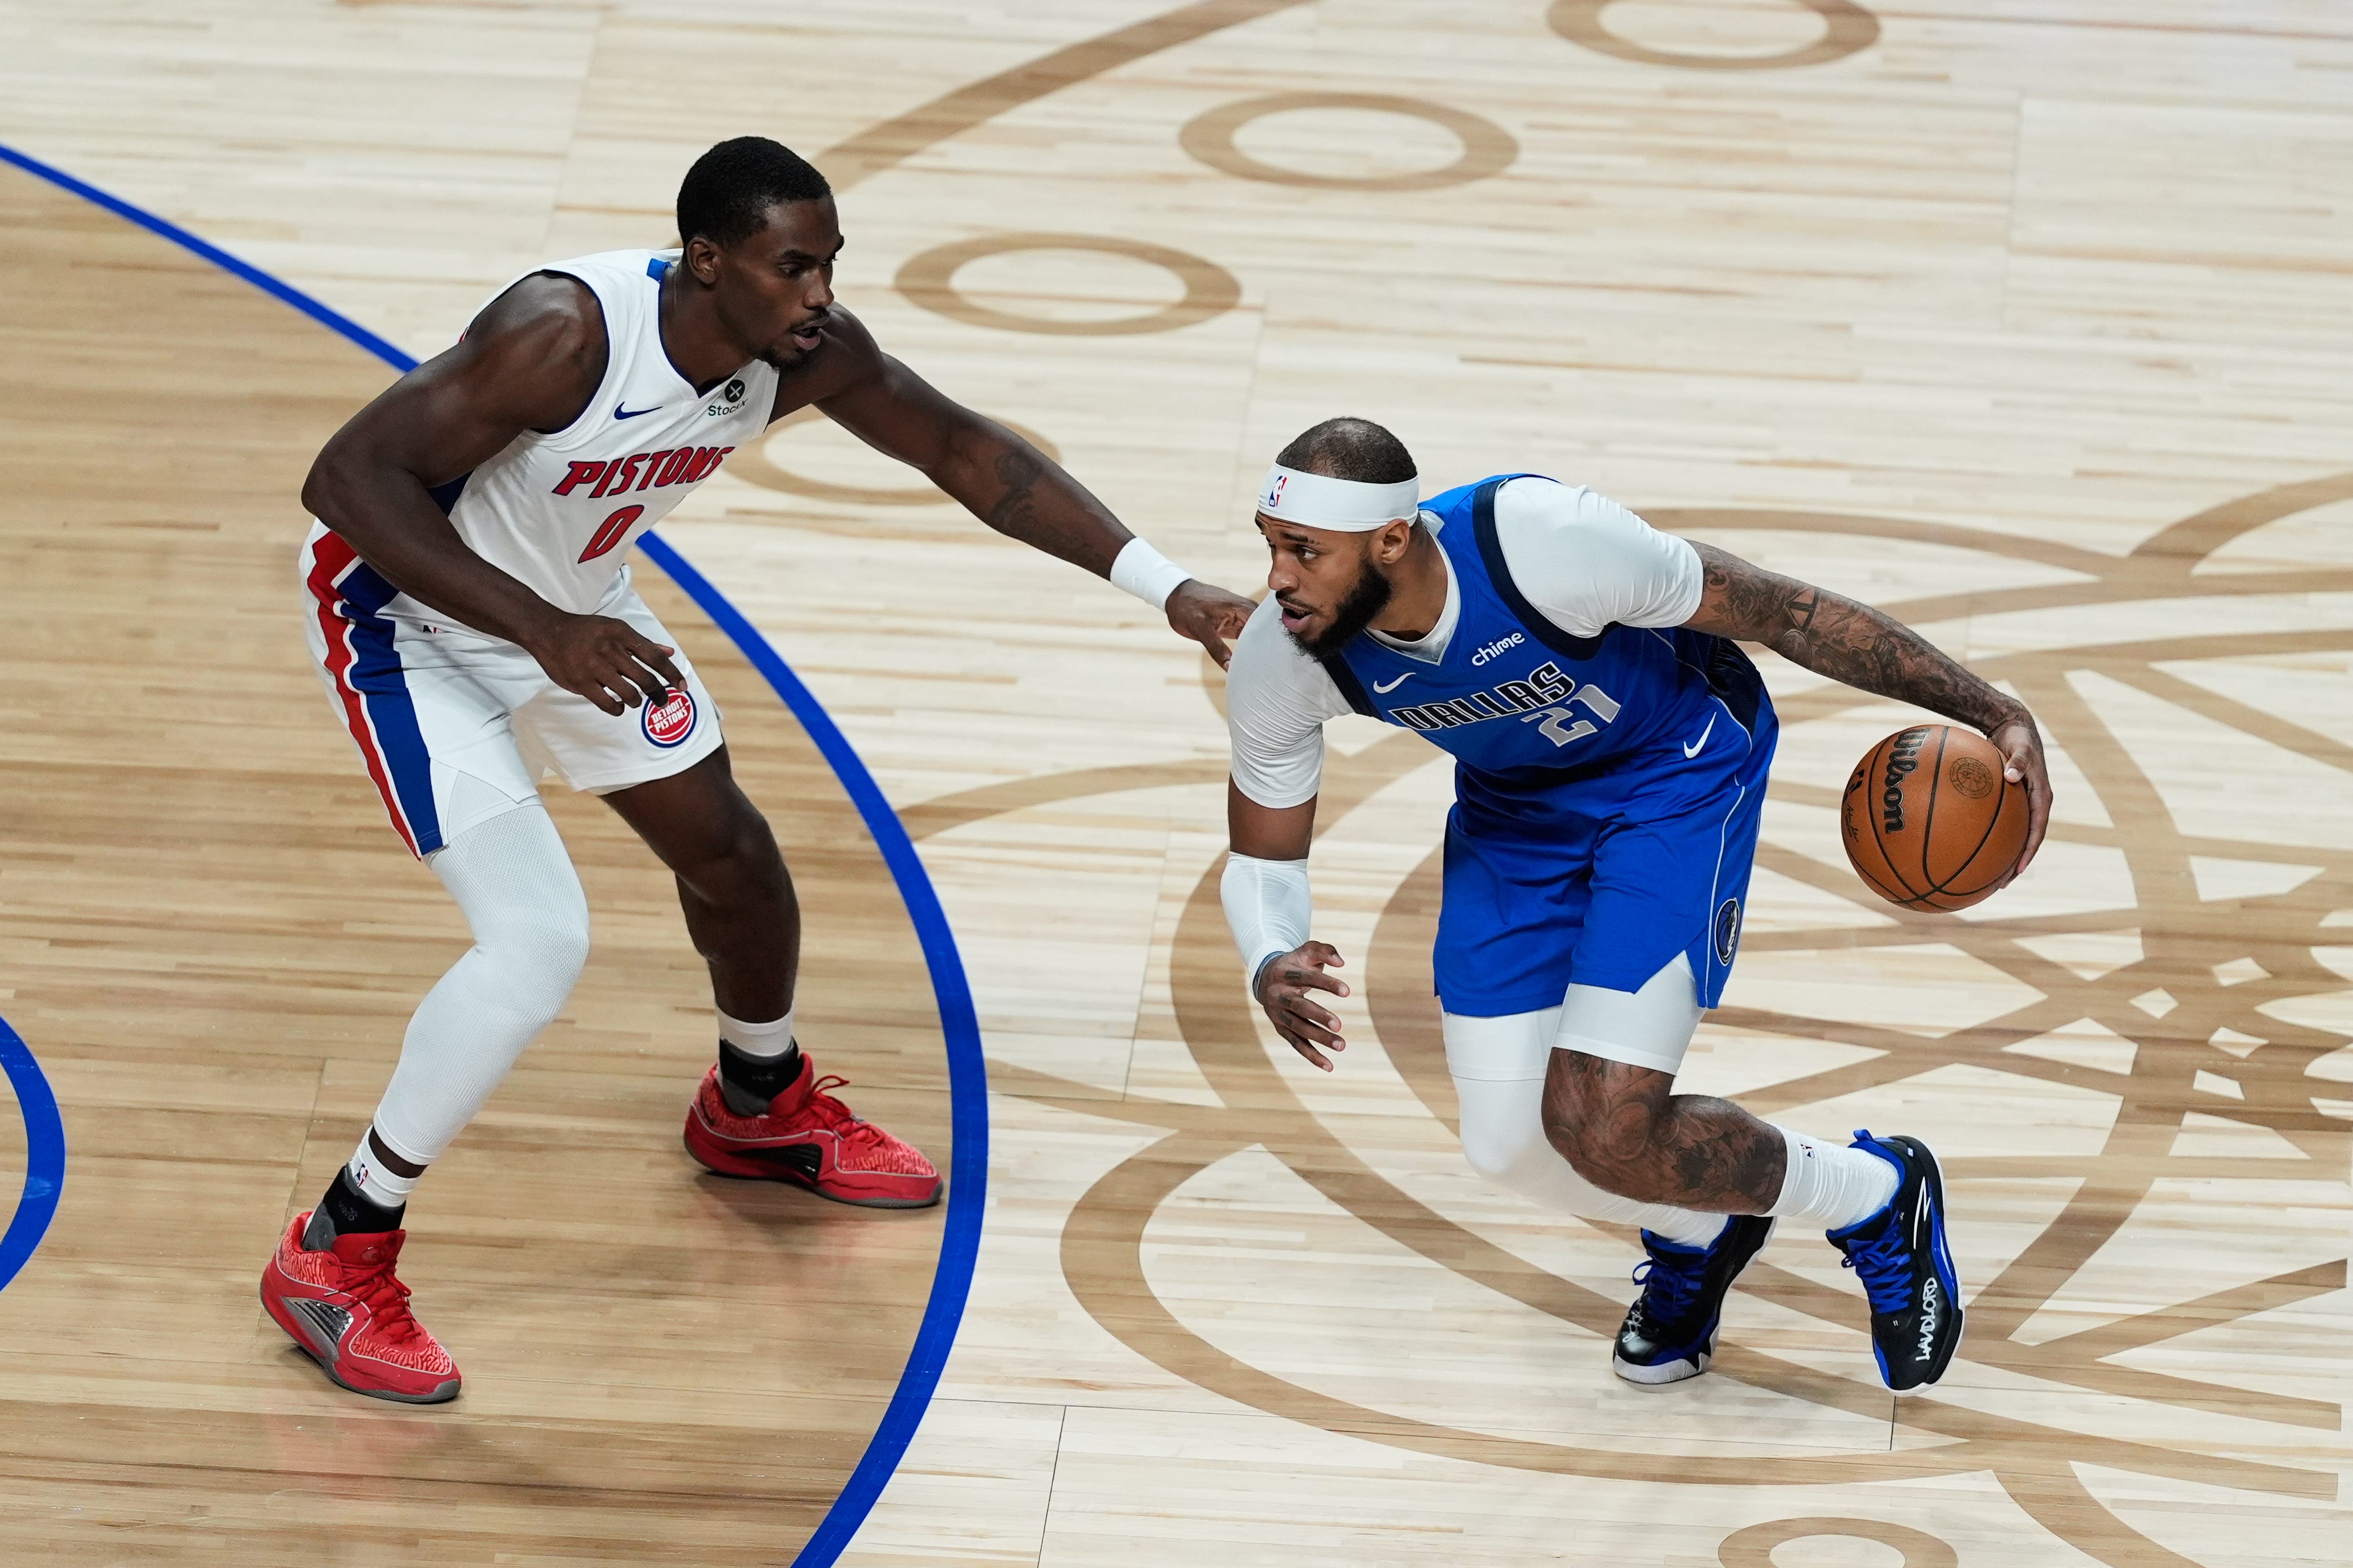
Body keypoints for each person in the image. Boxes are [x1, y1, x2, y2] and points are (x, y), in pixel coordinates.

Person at [262, 136, 1255, 1403]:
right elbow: (347, 478)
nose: (820, 292)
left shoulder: (799, 350)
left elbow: (967, 453)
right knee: (538, 941)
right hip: (406, 620)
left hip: (574, 610)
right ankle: (336, 1250)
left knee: (731, 853)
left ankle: (756, 1101)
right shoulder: (563, 334)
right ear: (707, 261)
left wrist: (1170, 590)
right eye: (795, 266)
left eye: (830, 263)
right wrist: (546, 632)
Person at [1220, 418, 2049, 1391]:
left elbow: (1784, 611)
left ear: (1392, 541)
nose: (1277, 579)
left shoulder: (1541, 543)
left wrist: (1993, 711)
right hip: (1517, 818)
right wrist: (1268, 952)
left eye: (1304, 551)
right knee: (1507, 1146)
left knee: (1603, 1119)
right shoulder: (1289, 655)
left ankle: (1876, 1193)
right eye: (1271, 546)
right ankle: (1703, 1233)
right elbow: (1263, 853)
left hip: (1675, 772)